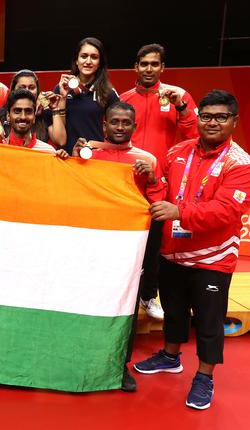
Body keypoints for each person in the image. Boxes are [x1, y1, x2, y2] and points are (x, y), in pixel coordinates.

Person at [134, 90, 250, 410]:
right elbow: (163, 191)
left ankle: (204, 376)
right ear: (198, 118)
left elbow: (226, 211)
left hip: (212, 258)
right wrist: (151, 179)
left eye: (220, 117)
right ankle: (170, 356)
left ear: (234, 122)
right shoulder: (177, 151)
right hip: (172, 251)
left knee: (208, 320)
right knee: (173, 310)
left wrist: (180, 213)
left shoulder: (241, 165)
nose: (212, 122)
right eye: (206, 116)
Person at [64, 101, 166, 392]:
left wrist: (153, 179)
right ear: (104, 126)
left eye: (126, 123)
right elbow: (74, 191)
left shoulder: (147, 159)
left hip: (128, 254)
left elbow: (157, 202)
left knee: (125, 310)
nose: (120, 127)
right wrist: (71, 160)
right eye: (115, 122)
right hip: (92, 247)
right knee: (85, 303)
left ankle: (119, 366)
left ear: (134, 127)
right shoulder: (89, 155)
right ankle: (80, 359)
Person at [120, 44, 200, 319]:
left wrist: (182, 106)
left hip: (159, 182)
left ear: (162, 68)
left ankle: (148, 295)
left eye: (155, 64)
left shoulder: (178, 97)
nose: (149, 69)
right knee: (126, 242)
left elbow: (194, 135)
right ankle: (122, 295)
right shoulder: (124, 99)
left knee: (156, 243)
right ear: (136, 67)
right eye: (144, 64)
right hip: (126, 183)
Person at [54, 37, 120, 154]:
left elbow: (118, 130)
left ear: (99, 63)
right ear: (76, 60)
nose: (88, 61)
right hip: (68, 158)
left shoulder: (108, 92)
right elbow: (59, 139)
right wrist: (63, 97)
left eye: (94, 57)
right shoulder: (61, 88)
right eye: (84, 56)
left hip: (97, 159)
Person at [0, 70, 66, 147]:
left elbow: (61, 141)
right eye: (22, 87)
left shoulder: (45, 112)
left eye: (31, 87)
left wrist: (54, 109)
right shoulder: (0, 115)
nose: (27, 90)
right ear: (13, 90)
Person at [0, 89, 55, 153]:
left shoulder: (48, 152)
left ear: (34, 117)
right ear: (8, 116)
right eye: (17, 111)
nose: (23, 117)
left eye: (28, 111)